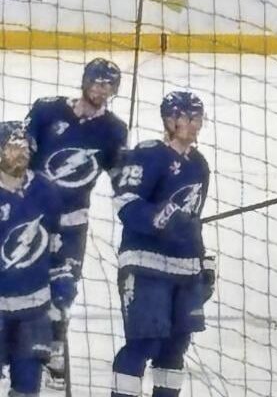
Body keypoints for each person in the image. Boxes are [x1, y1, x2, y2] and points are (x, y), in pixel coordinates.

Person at [24, 58, 128, 386]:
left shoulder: (113, 130)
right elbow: (20, 151)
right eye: (97, 82)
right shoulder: (47, 110)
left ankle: (53, 350)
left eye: (108, 85)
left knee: (64, 289)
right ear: (85, 81)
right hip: (33, 214)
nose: (101, 89)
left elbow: (119, 177)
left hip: (73, 221)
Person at [110, 91, 214, 397]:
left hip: (183, 268)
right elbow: (126, 204)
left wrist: (201, 261)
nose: (195, 124)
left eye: (198, 117)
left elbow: (193, 219)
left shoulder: (199, 165)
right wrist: (161, 218)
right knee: (144, 342)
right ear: (170, 120)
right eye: (188, 117)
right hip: (146, 264)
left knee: (174, 348)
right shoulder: (147, 154)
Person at [0, 120, 69, 397]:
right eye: (14, 148)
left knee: (28, 385)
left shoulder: (45, 190)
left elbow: (55, 243)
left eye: (26, 148)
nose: (22, 153)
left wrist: (62, 281)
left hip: (34, 308)